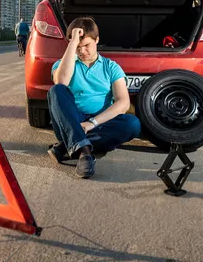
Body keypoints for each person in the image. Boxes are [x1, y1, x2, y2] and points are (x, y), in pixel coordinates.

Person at [47, 17, 141, 178]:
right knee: (56, 90)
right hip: (72, 121)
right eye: (77, 46)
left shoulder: (111, 67)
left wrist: (92, 123)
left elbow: (123, 102)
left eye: (86, 45)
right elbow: (61, 81)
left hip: (100, 122)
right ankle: (84, 152)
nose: (82, 51)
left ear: (97, 40)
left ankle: (68, 145)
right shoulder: (64, 63)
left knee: (132, 124)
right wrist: (73, 41)